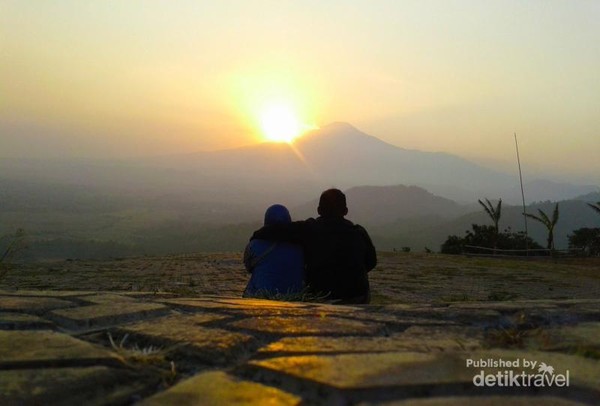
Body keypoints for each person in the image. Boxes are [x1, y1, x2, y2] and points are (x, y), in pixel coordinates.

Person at [251, 188, 377, 304]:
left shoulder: (309, 229)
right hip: (357, 297)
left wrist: (257, 234)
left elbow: (278, 230)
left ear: (319, 210)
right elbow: (371, 262)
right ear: (345, 211)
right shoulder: (359, 232)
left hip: (320, 297)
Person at [243, 204, 305, 298]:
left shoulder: (254, 245)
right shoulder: (301, 245)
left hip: (258, 295)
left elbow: (248, 267)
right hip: (295, 296)